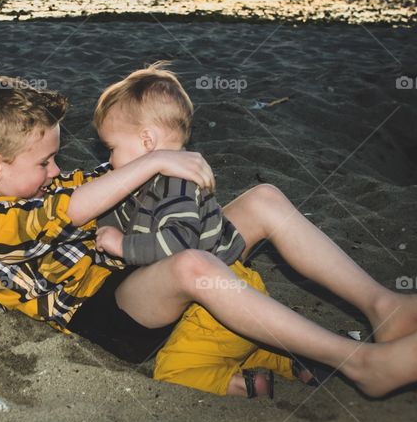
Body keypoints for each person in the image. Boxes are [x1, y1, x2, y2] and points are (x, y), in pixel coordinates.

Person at [0, 75, 417, 399]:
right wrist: (154, 160)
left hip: (133, 268)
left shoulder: (51, 180)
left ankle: (383, 306)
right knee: (193, 268)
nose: (57, 169)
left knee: (263, 199)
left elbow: (100, 186)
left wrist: (158, 154)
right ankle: (359, 363)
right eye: (45, 161)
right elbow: (65, 210)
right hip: (102, 315)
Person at [93, 63, 313, 396]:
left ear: (147, 141)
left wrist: (124, 246)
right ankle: (289, 360)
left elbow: (178, 243)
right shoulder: (153, 184)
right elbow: (130, 214)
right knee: (235, 338)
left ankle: (244, 385)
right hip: (231, 293)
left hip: (216, 299)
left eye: (112, 148)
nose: (110, 160)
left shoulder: (176, 187)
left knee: (174, 370)